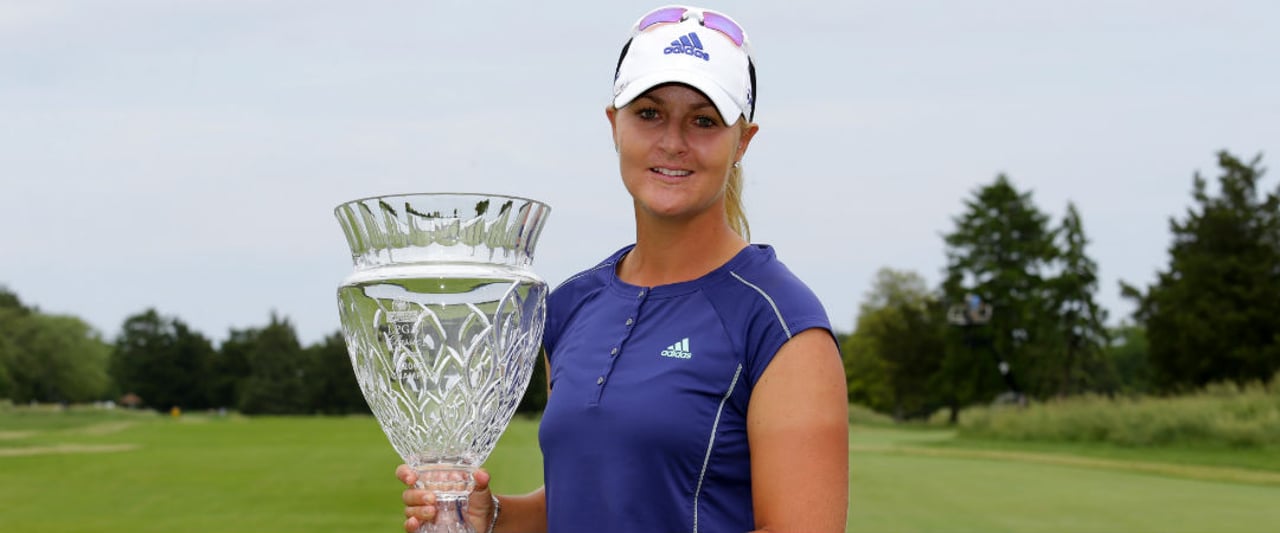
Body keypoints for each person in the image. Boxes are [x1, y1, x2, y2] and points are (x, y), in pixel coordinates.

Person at [398, 5, 848, 532]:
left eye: (704, 121)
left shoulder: (779, 321)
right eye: (649, 113)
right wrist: (493, 517)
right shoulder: (569, 307)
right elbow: (591, 501)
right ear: (614, 124)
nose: (673, 142)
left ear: (742, 141)